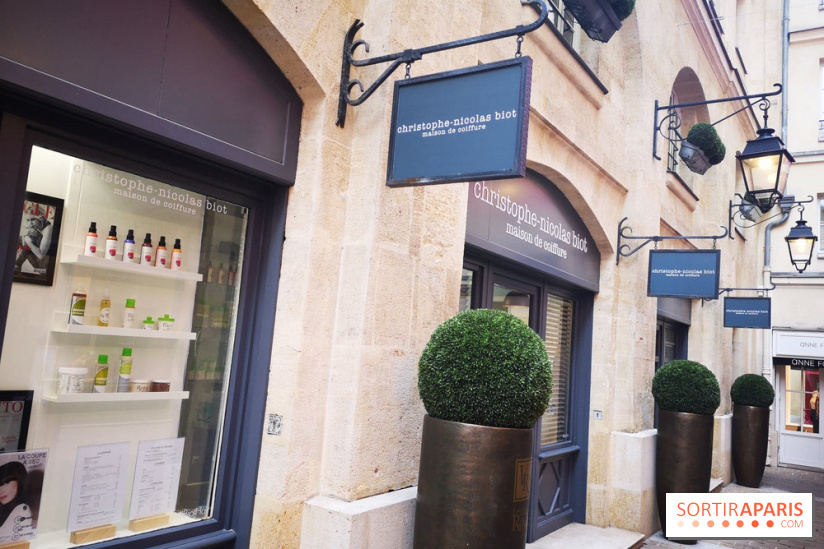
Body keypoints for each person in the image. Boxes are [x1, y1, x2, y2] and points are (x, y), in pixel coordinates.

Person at [0, 461, 32, 541]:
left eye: (5, 483)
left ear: (20, 480)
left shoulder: (21, 509)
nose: (0, 491)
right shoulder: (6, 509)